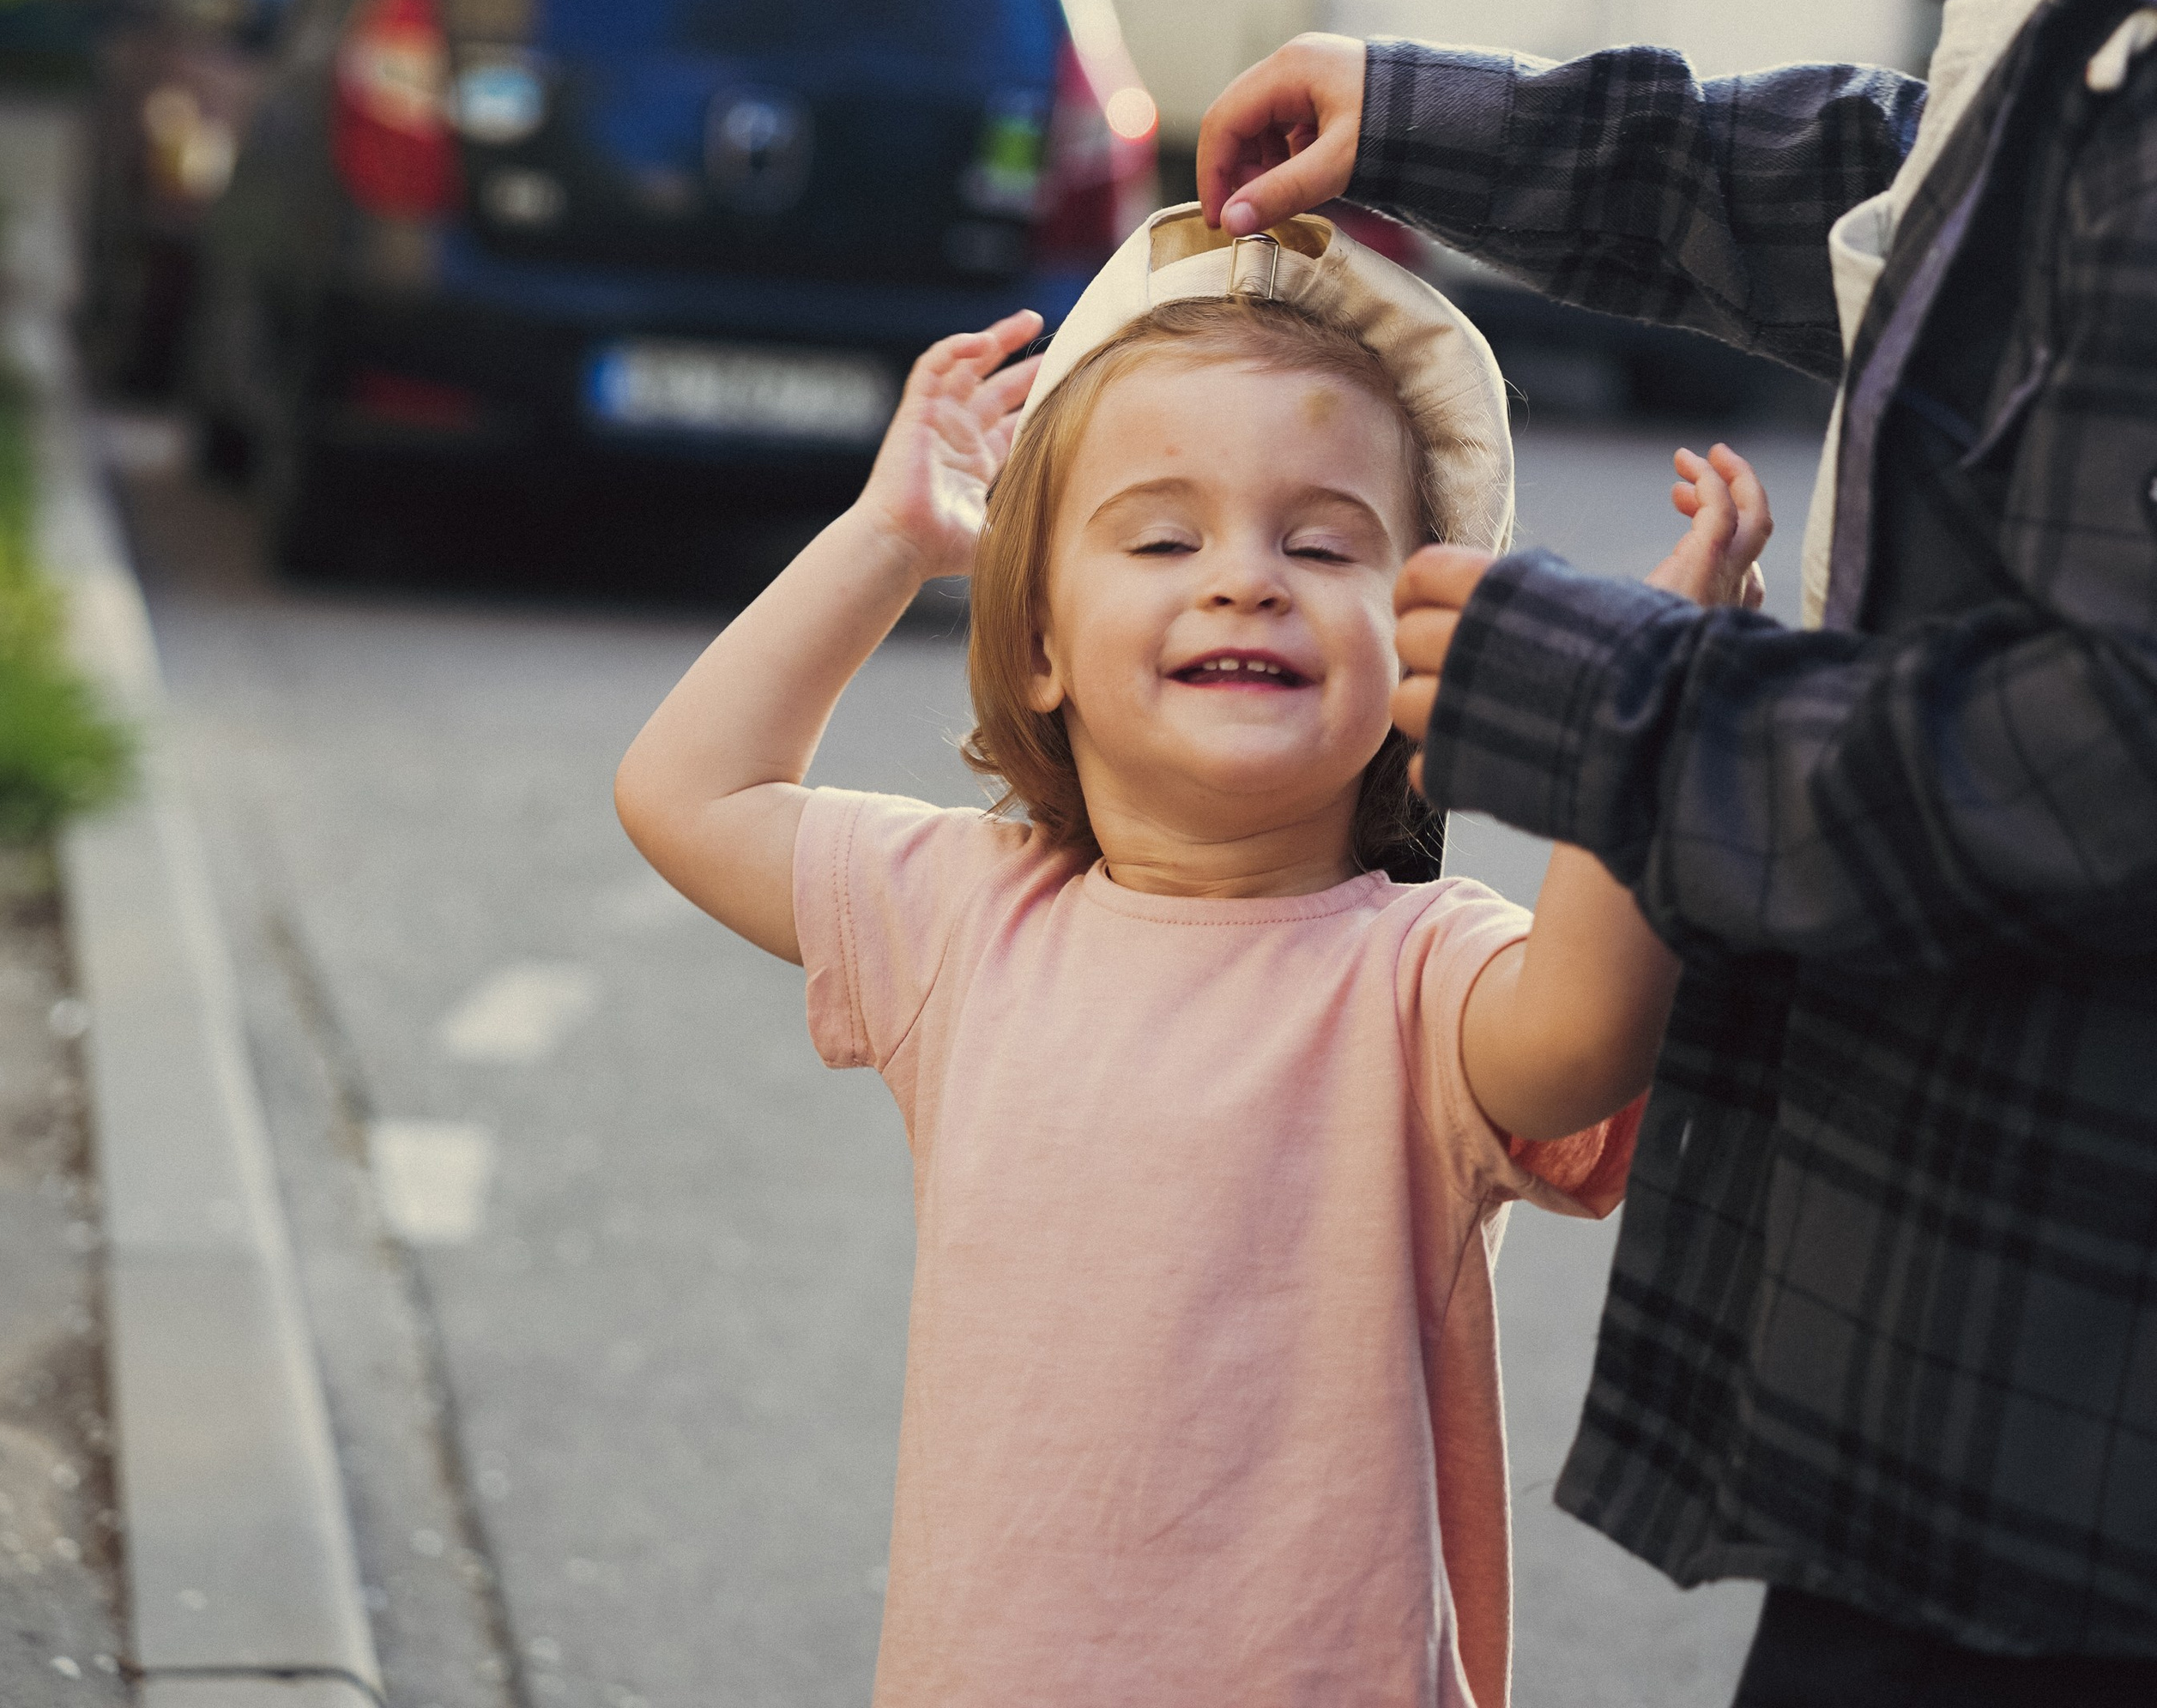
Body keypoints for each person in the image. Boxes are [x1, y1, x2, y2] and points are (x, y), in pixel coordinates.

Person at [1193, 0, 2157, 1706]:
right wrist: (1429, 119)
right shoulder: (2108, 0)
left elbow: (2110, 748)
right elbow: (1879, 193)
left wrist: (1585, 687)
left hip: (2052, 1517)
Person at [614, 205, 1770, 1708]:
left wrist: (1643, 725)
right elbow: (685, 792)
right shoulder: (970, 916)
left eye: (1321, 541)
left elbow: (1584, 1037)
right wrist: (893, 540)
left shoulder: (1420, 976)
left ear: (1425, 661)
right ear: (1038, 642)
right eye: (1163, 536)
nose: (1246, 578)